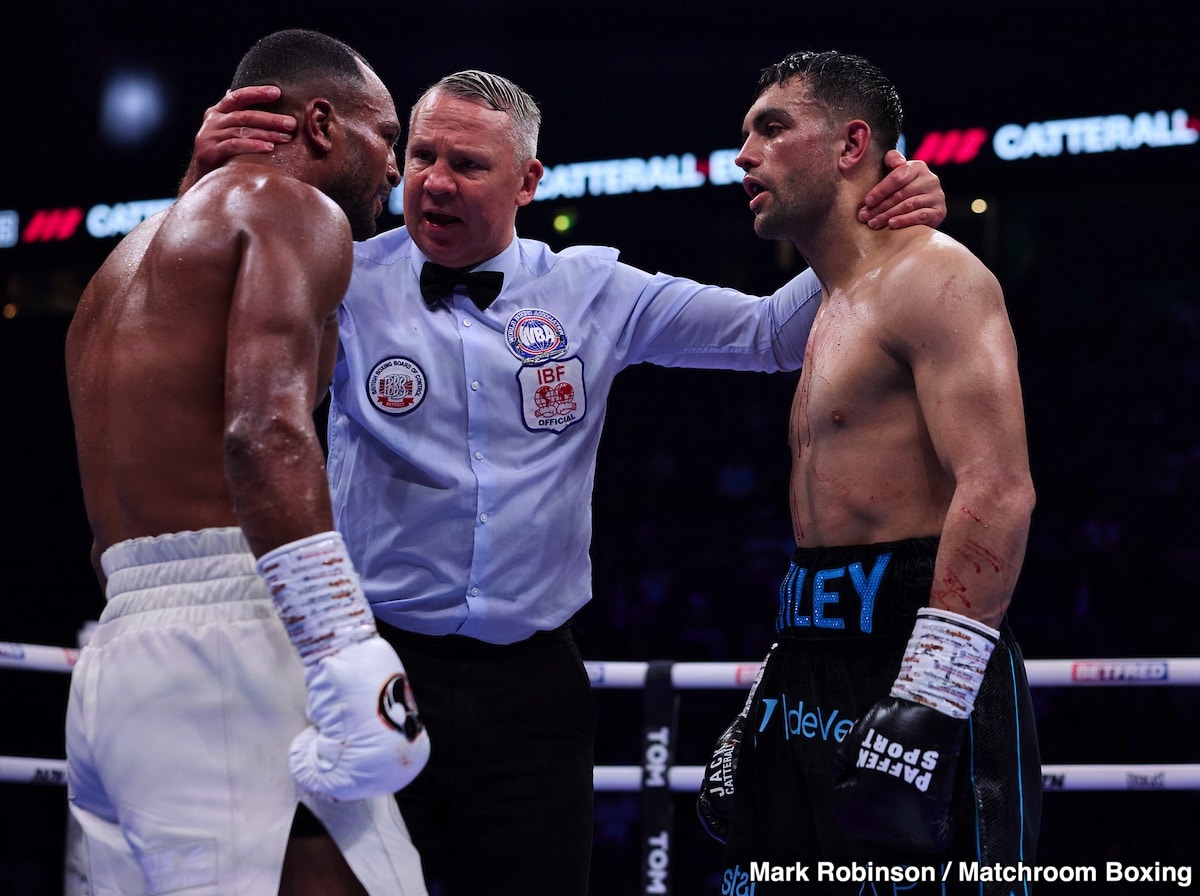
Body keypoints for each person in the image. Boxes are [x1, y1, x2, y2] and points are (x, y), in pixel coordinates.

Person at [182, 69, 947, 896]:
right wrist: (199, 188)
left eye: (467, 165)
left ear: (528, 182)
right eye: (424, 156)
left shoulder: (593, 291)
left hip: (532, 693)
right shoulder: (345, 275)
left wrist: (874, 220)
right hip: (375, 664)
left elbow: (768, 334)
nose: (434, 181)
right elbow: (187, 327)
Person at [64, 29, 431, 896]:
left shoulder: (114, 274)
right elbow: (261, 430)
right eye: (387, 138)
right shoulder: (295, 210)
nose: (395, 170)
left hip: (119, 659)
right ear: (319, 121)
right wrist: (345, 640)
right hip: (235, 642)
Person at [705, 50, 1040, 894]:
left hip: (918, 645)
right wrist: (770, 695)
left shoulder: (937, 277)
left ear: (853, 144)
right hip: (812, 647)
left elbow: (997, 488)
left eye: (772, 128)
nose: (744, 154)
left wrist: (931, 697)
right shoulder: (828, 303)